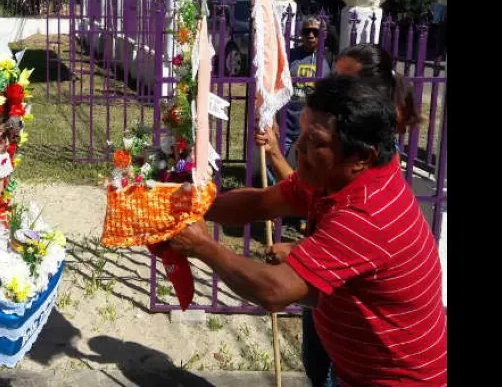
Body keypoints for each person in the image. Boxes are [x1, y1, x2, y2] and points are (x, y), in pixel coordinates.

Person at [171, 75, 447, 386]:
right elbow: (261, 203)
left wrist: (204, 246)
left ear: (362, 157)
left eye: (315, 141)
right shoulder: (334, 176)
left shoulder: (366, 212)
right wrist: (192, 207)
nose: (298, 147)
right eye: (302, 132)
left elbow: (275, 290)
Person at [255, 43, 423, 387]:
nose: (332, 84)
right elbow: (306, 194)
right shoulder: (342, 140)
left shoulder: (365, 174)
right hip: (333, 302)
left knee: (324, 368)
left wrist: (202, 246)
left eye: (343, 80)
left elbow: (345, 229)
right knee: (319, 366)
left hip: (379, 363)